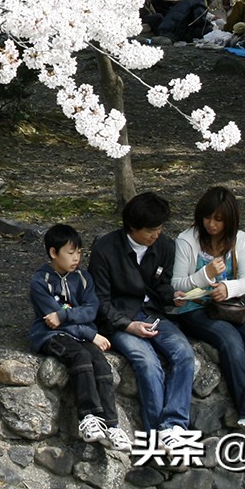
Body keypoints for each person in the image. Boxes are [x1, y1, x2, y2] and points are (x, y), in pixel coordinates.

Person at [171, 187, 245, 432]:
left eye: (218, 220)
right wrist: (205, 275)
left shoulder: (239, 240)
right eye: (207, 218)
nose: (211, 224)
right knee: (230, 340)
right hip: (193, 309)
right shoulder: (187, 240)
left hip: (228, 307)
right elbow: (177, 283)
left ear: (229, 221)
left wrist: (227, 287)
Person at [89, 192, 196, 448]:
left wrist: (174, 296)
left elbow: (161, 287)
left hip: (153, 314)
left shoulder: (165, 246)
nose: (156, 234)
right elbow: (99, 301)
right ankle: (156, 434)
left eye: (159, 228)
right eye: (151, 230)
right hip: (119, 318)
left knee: (184, 353)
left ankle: (174, 426)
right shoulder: (105, 249)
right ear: (132, 228)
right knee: (147, 362)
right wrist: (128, 325)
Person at [28, 224, 133, 452]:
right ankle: (88, 417)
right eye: (70, 252)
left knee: (101, 365)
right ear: (53, 253)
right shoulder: (40, 282)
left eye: (79, 252)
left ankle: (112, 425)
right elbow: (52, 322)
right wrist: (90, 333)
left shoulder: (84, 278)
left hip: (82, 334)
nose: (76, 258)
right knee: (81, 357)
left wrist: (66, 316)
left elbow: (91, 309)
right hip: (51, 336)